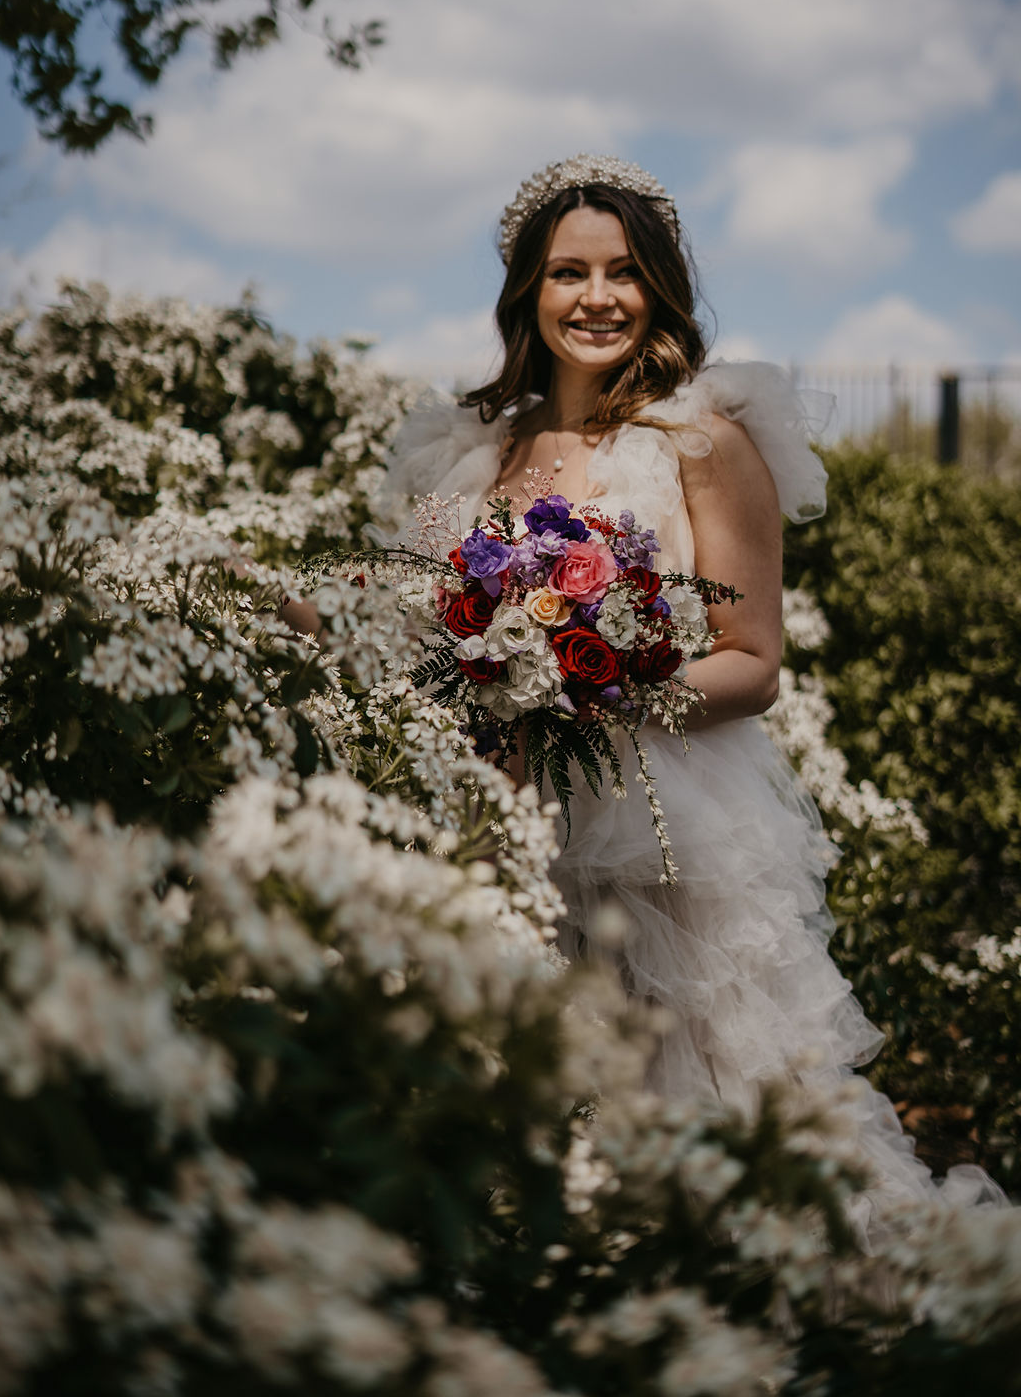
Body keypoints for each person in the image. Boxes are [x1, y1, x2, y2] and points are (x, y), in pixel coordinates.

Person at [376, 154, 1002, 1241]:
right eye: (569, 273)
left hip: (661, 834)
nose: (597, 298)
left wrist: (600, 688)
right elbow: (414, 613)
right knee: (512, 1115)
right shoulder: (479, 452)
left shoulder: (703, 442)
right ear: (528, 290)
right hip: (500, 822)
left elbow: (752, 660)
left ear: (659, 288)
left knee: (703, 1107)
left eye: (624, 273)